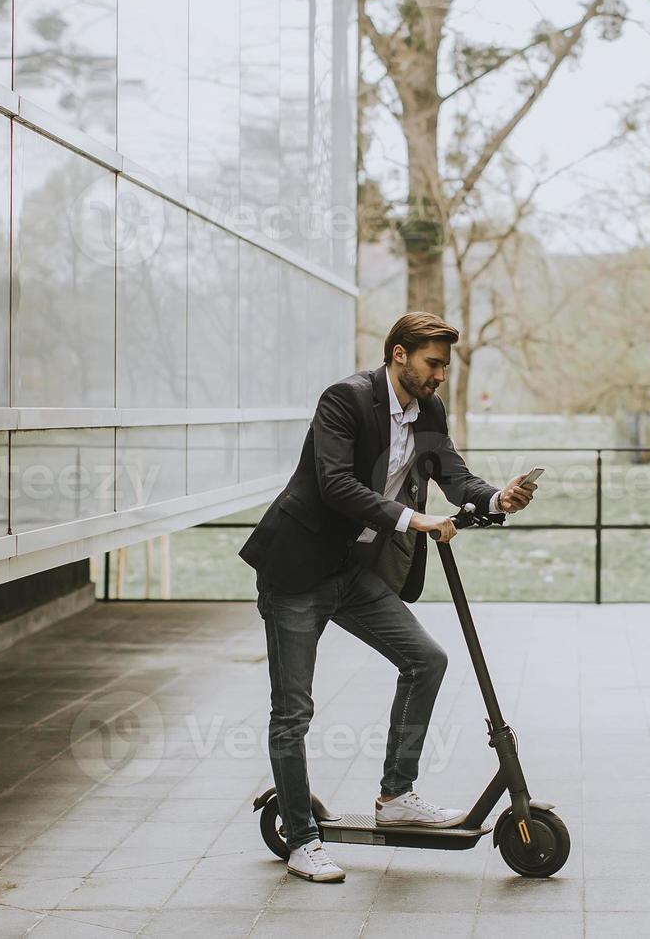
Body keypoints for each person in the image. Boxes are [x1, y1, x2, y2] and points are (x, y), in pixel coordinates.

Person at [237, 311, 537, 883]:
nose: (440, 375)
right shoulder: (345, 400)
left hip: (351, 569)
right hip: (296, 569)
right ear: (399, 355)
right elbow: (334, 483)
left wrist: (499, 498)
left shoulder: (430, 413)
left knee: (427, 660)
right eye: (432, 363)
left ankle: (397, 794)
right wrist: (411, 517)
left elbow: (455, 476)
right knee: (293, 711)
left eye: (445, 366)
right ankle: (302, 839)